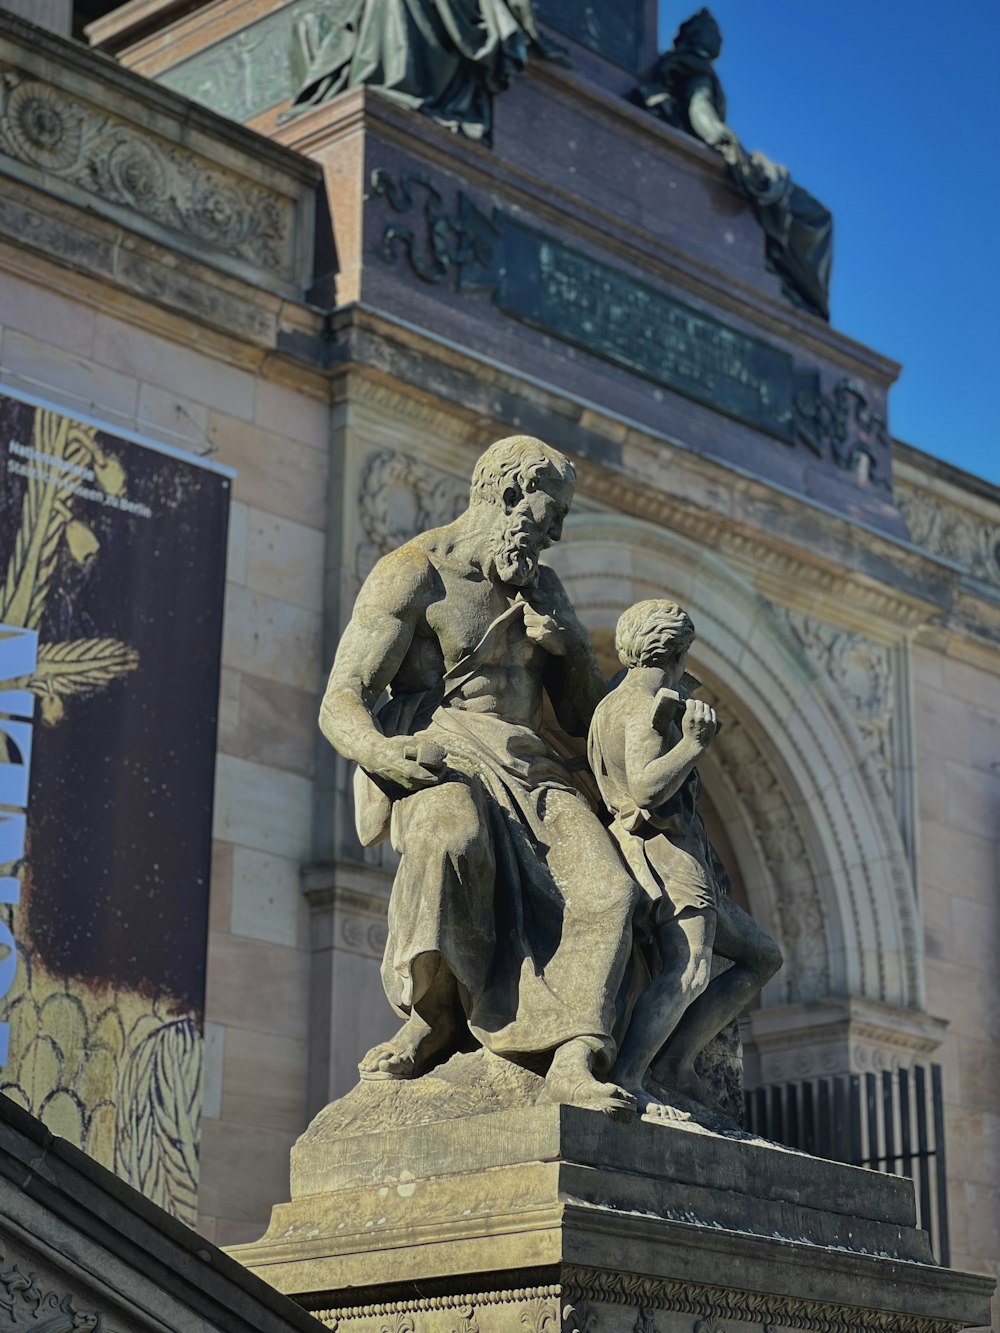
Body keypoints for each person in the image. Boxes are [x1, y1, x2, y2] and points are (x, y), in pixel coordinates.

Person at [320, 436, 638, 1117]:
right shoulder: (414, 572)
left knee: (610, 890)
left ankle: (576, 1052)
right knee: (452, 836)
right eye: (551, 513)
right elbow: (341, 697)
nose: (555, 531)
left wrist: (571, 648)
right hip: (440, 755)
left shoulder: (544, 586)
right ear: (511, 494)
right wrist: (382, 756)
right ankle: (433, 1017)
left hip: (529, 767)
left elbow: (585, 717)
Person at [588, 599, 782, 1117]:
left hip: (659, 850)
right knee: (691, 967)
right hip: (666, 853)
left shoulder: (611, 701)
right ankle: (634, 1078)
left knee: (761, 957)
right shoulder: (646, 706)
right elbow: (649, 788)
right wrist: (694, 743)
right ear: (674, 651)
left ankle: (674, 1064)